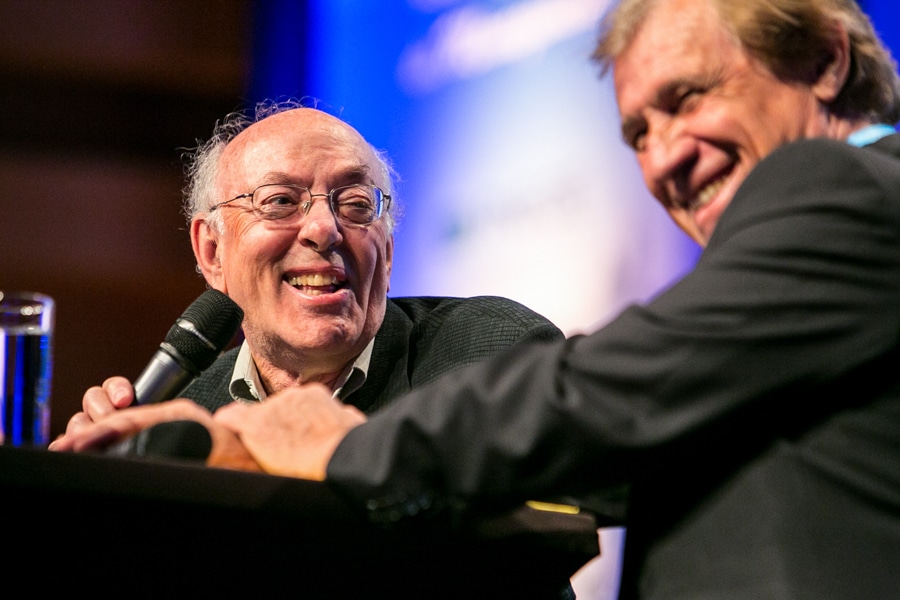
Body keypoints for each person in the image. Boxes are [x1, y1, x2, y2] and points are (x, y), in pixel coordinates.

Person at [53, 1, 900, 598]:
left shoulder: (845, 190)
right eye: (639, 131)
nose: (665, 157)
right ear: (210, 249)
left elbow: (602, 400)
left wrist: (336, 450)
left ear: (825, 61)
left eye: (687, 98)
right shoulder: (187, 410)